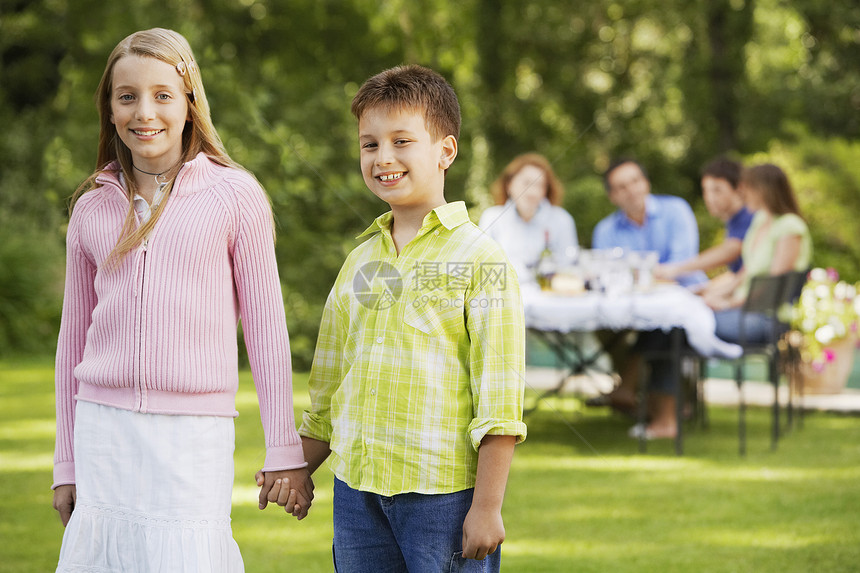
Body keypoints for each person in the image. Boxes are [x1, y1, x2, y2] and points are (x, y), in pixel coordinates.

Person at [51, 28, 311, 572]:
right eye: (127, 96)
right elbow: (72, 340)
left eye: (162, 95)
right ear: (110, 107)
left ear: (190, 104)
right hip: (104, 430)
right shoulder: (92, 208)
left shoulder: (234, 195)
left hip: (193, 436)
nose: (144, 112)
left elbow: (265, 330)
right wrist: (67, 461)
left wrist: (284, 447)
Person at [292, 65, 527, 571]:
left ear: (446, 150)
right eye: (370, 144)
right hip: (357, 494)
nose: (384, 158)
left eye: (402, 141)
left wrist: (486, 507)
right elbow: (330, 388)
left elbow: (499, 398)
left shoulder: (481, 260)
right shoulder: (359, 261)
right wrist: (297, 469)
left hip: (442, 498)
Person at [588, 159, 707, 438]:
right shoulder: (605, 230)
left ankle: (634, 392)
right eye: (621, 187)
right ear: (612, 196)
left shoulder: (676, 210)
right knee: (604, 327)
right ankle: (644, 397)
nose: (630, 190)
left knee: (665, 326)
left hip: (685, 303)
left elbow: (682, 266)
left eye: (635, 181)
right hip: (631, 307)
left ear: (646, 183)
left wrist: (638, 276)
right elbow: (605, 275)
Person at [706, 163, 812, 341]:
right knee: (689, 317)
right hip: (744, 309)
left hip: (767, 316)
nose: (743, 194)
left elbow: (772, 284)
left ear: (763, 191)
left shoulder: (790, 226)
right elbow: (748, 269)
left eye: (747, 188)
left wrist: (728, 304)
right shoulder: (760, 220)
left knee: (691, 324)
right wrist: (715, 294)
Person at [478, 152, 578, 285]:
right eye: (526, 183)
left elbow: (569, 267)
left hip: (550, 301)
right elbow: (481, 268)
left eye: (540, 185)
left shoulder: (562, 220)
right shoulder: (492, 218)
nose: (533, 192)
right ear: (509, 185)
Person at [654, 157, 754, 286]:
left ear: (739, 188)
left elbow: (730, 251)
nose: (710, 198)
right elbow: (738, 273)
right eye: (706, 190)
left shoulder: (749, 215)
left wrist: (676, 269)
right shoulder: (734, 221)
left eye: (717, 190)